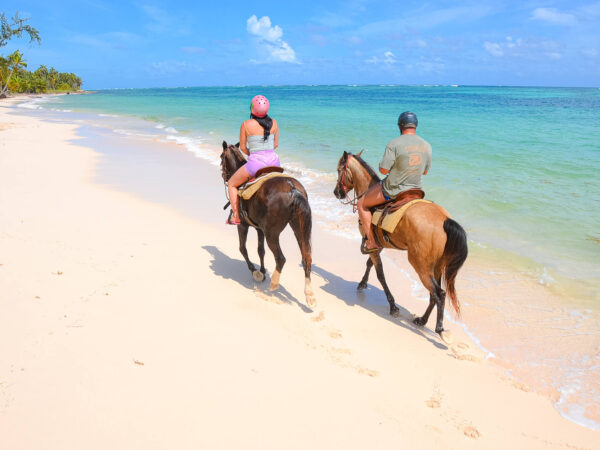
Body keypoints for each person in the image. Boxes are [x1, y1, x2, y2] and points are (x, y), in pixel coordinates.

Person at [356, 111, 432, 253]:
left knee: (361, 204)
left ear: (400, 125)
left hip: (394, 190)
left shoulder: (394, 144)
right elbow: (425, 172)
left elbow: (384, 170)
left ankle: (372, 242)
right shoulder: (427, 145)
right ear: (415, 126)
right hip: (417, 190)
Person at [227, 95, 280, 225]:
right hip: (275, 162)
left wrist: (254, 153)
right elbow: (275, 145)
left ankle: (236, 216)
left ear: (252, 109)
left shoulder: (246, 124)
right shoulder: (274, 123)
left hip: (256, 164)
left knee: (232, 184)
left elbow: (243, 148)